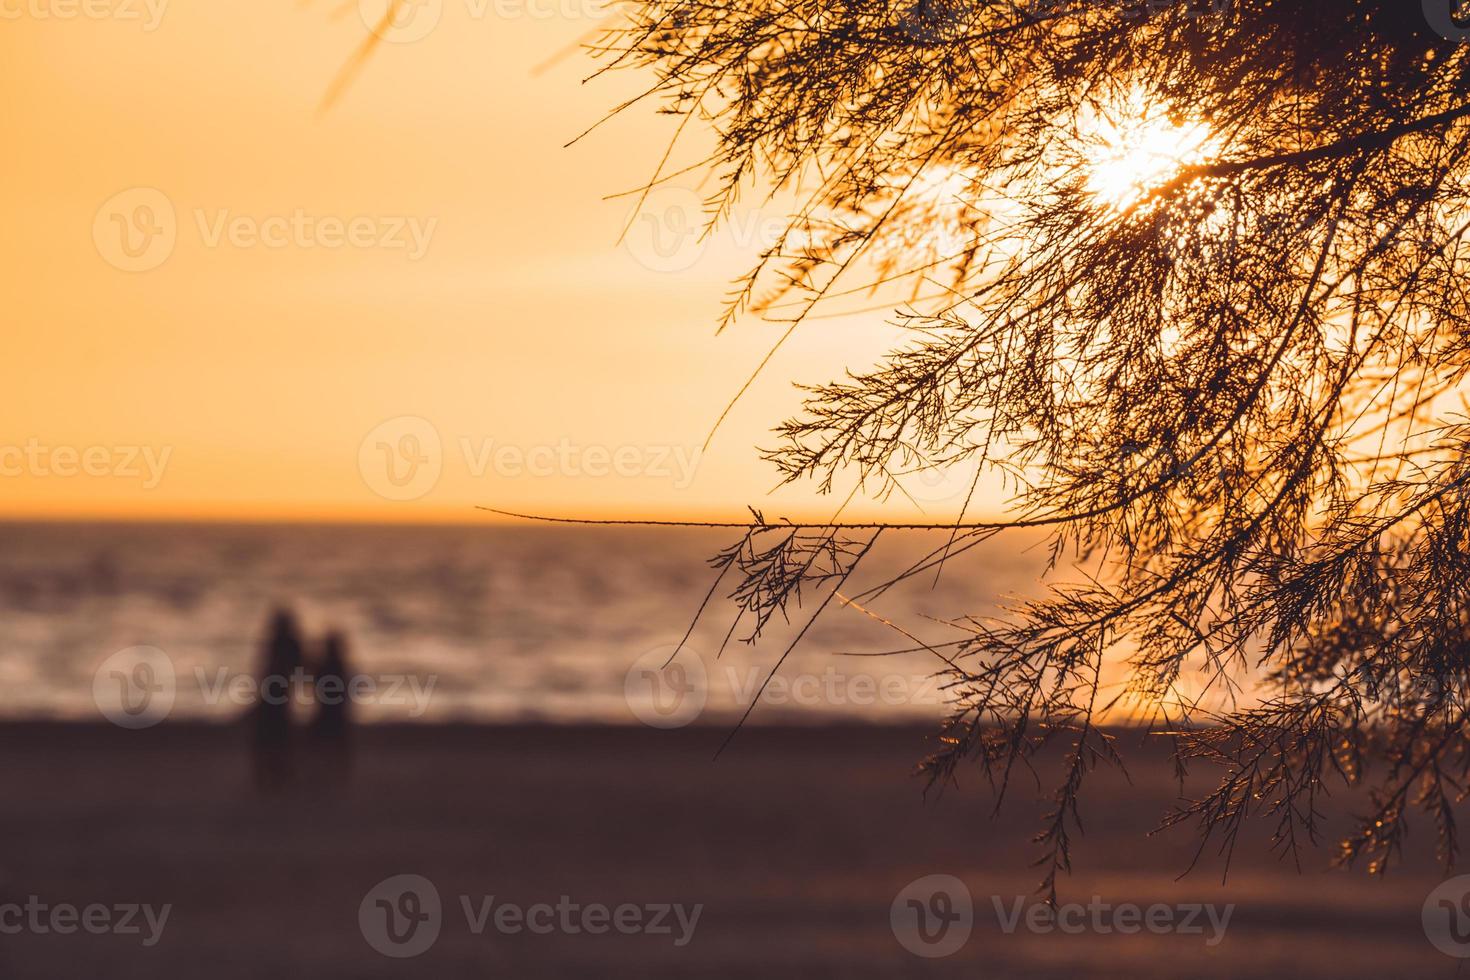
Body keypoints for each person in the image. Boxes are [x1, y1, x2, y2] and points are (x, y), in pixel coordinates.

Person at [251, 607, 304, 792]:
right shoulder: (286, 642)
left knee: (272, 734)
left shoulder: (279, 642)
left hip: (276, 692)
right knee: (277, 734)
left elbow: (266, 668)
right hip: (278, 692)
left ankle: (272, 773)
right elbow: (300, 668)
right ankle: (276, 773)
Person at [309, 629, 354, 783]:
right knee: (337, 744)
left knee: (321, 743)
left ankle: (325, 774)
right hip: (338, 712)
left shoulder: (326, 667)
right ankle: (339, 774)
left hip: (326, 712)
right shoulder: (341, 666)